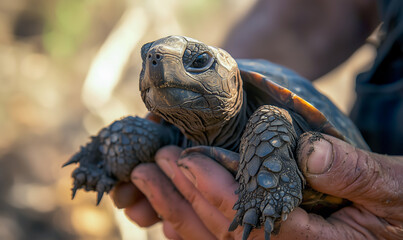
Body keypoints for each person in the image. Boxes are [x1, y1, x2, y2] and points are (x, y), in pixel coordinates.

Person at [111, 0, 403, 239]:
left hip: (375, 196)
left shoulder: (269, 120)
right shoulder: (167, 131)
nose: (157, 62)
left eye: (198, 62)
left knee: (268, 118)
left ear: (234, 83)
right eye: (149, 59)